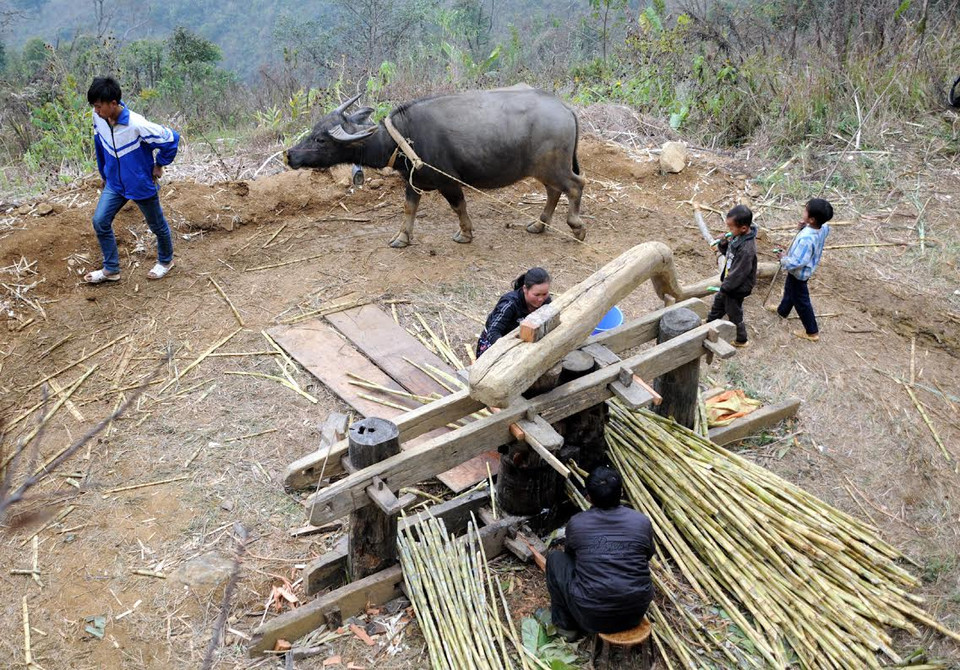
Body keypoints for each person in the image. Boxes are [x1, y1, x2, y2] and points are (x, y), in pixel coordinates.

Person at [84, 76, 180, 284]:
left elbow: (172, 139)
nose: (96, 111)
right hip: (115, 183)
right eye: (94, 106)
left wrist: (159, 164)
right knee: (100, 221)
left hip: (139, 183)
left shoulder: (137, 124)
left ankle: (165, 261)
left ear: (113, 103)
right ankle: (111, 269)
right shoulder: (98, 118)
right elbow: (99, 144)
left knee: (157, 225)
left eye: (99, 106)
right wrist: (104, 174)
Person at [545, 466, 655, 641]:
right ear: (621, 493)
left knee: (555, 558)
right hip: (636, 612)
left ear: (588, 497)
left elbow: (571, 556)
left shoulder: (577, 523)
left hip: (591, 618)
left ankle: (566, 627)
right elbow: (648, 555)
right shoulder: (641, 521)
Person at [773, 198, 833, 342]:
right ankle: (782, 311)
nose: (803, 211)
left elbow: (797, 262)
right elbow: (824, 228)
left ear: (812, 219)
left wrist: (783, 258)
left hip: (799, 273)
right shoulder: (822, 228)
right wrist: (805, 226)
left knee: (801, 302)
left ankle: (812, 331)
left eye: (805, 210)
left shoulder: (807, 239)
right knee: (790, 290)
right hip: (799, 273)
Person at [706, 204, 757, 347]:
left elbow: (739, 273)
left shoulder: (747, 249)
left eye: (731, 227)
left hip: (737, 287)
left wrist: (726, 287)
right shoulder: (737, 236)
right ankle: (709, 324)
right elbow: (729, 253)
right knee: (719, 303)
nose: (729, 231)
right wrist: (723, 244)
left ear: (743, 228)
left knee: (734, 312)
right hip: (729, 284)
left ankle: (741, 339)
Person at [476, 267, 551, 357]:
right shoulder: (510, 304)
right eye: (536, 295)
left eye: (544, 294)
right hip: (496, 343)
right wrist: (507, 351)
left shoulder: (546, 302)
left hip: (524, 340)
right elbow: (493, 332)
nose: (541, 299)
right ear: (525, 289)